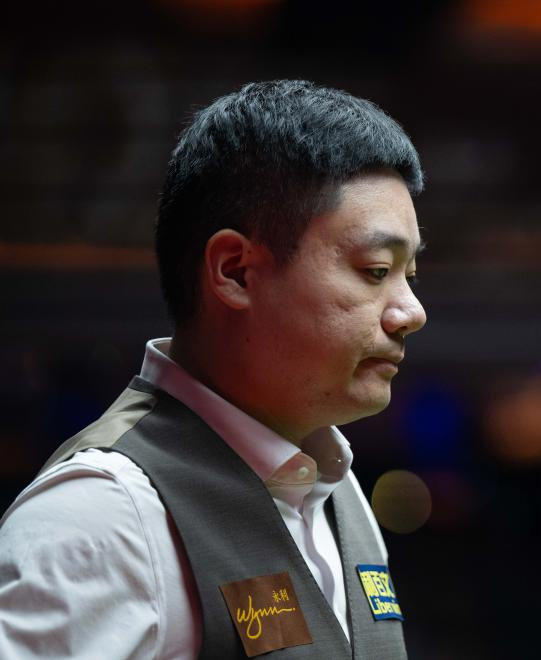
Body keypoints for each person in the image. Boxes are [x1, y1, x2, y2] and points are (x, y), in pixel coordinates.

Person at [0, 80, 427, 659]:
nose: (411, 312)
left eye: (409, 275)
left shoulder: (336, 487)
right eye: (376, 270)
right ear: (235, 272)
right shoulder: (101, 517)